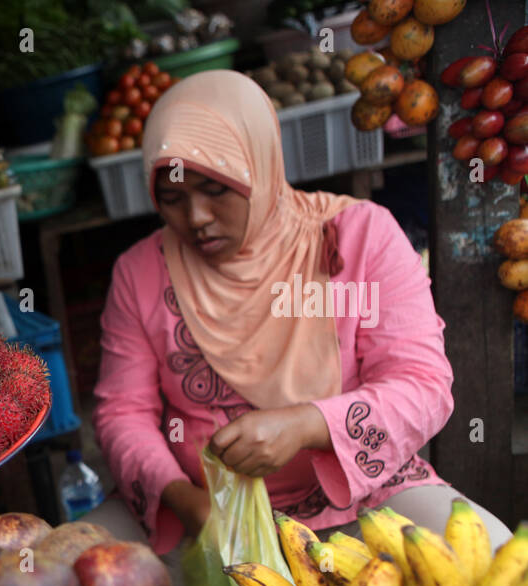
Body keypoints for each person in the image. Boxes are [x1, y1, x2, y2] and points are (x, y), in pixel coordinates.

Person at [87, 69, 512, 560]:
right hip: (201, 510)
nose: (197, 217)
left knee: (498, 566)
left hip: (366, 497)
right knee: (54, 572)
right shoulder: (138, 272)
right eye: (173, 198)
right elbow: (123, 413)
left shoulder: (359, 237)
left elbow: (422, 384)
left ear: (261, 166)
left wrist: (307, 425)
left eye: (217, 190)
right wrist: (188, 503)